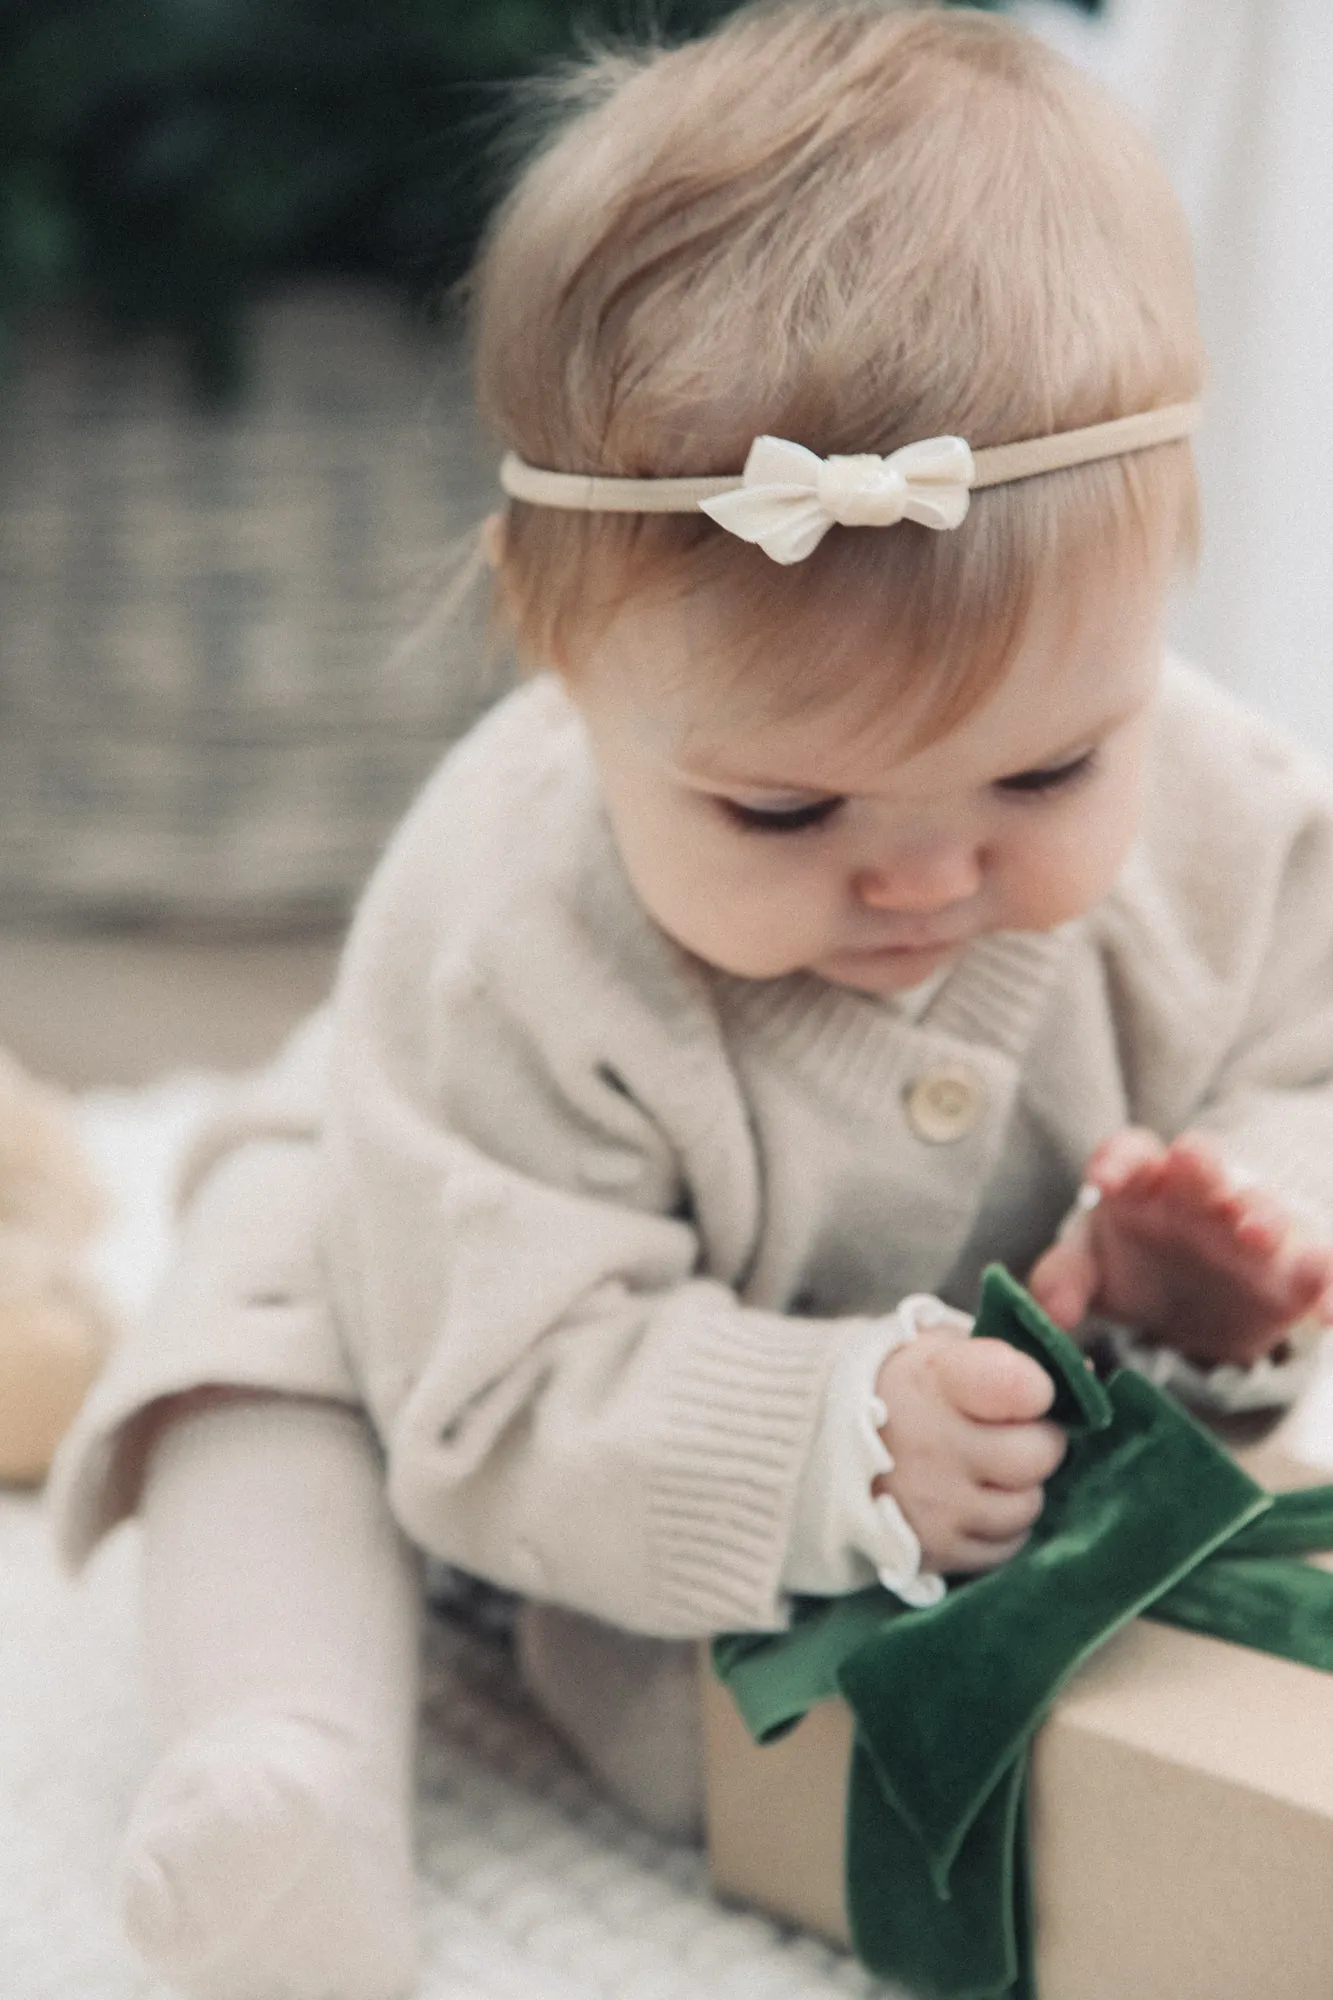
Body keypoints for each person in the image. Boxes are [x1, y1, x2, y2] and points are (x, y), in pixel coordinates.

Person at [51, 7, 1333, 1998]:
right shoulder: (506, 941)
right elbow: (492, 1400)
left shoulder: (1239, 821)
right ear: (560, 650)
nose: (921, 876)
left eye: (1045, 774)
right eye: (787, 802)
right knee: (260, 1325)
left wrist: (1254, 1234)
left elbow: (1316, 1061)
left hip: (971, 1415)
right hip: (455, 1283)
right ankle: (283, 1757)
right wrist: (827, 1443)